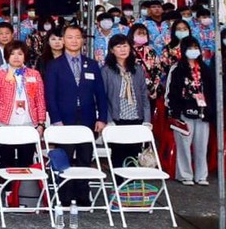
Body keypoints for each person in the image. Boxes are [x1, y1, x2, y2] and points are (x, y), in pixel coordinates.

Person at [42, 25, 109, 206]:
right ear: (63, 40)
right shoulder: (54, 65)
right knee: (65, 158)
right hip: (64, 119)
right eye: (70, 37)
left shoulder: (92, 64)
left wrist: (102, 118)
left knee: (84, 158)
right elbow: (50, 95)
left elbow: (100, 94)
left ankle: (82, 195)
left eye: (77, 37)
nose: (74, 41)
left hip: (87, 119)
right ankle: (64, 196)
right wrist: (56, 119)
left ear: (83, 40)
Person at [0, 41, 48, 173]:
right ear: (7, 56)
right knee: (6, 163)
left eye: (20, 54)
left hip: (29, 125)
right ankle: (8, 186)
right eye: (12, 54)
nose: (16, 57)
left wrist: (41, 123)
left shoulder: (34, 74)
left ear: (25, 56)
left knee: (26, 163)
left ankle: (23, 186)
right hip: (5, 125)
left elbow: (40, 100)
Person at [166, 37, 216, 186]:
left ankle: (201, 175)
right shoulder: (177, 69)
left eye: (195, 48)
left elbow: (212, 91)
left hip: (202, 111)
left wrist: (210, 110)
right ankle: (185, 175)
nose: (193, 51)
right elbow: (172, 92)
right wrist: (174, 112)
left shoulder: (205, 69)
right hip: (183, 111)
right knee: (183, 144)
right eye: (189, 48)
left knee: (202, 145)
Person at [100, 35, 152, 168]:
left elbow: (144, 96)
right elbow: (103, 98)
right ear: (112, 50)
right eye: (118, 46)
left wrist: (147, 120)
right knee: (118, 155)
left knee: (134, 156)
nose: (122, 49)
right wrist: (108, 120)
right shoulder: (106, 70)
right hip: (117, 119)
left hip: (136, 118)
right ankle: (118, 181)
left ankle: (132, 181)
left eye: (125, 46)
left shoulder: (137, 69)